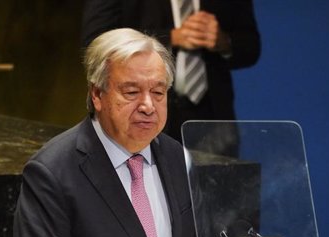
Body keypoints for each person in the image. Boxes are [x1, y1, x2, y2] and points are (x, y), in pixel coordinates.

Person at [13, 28, 221, 237]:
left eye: (159, 92)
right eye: (131, 92)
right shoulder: (52, 170)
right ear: (97, 94)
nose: (148, 105)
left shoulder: (179, 159)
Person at [81, 0, 261, 143]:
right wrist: (171, 37)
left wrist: (224, 41)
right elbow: (96, 41)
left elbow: (251, 46)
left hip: (213, 117)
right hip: (139, 112)